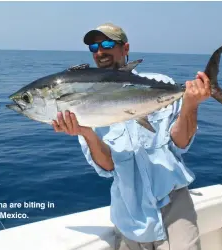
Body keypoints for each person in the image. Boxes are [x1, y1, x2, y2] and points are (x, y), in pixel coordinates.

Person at [52, 22, 211, 250]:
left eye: (107, 43)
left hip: (174, 206)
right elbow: (107, 167)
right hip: (129, 215)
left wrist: (190, 106)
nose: (100, 51)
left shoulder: (162, 83)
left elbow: (181, 143)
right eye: (94, 47)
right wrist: (85, 131)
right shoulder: (83, 106)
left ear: (125, 48)